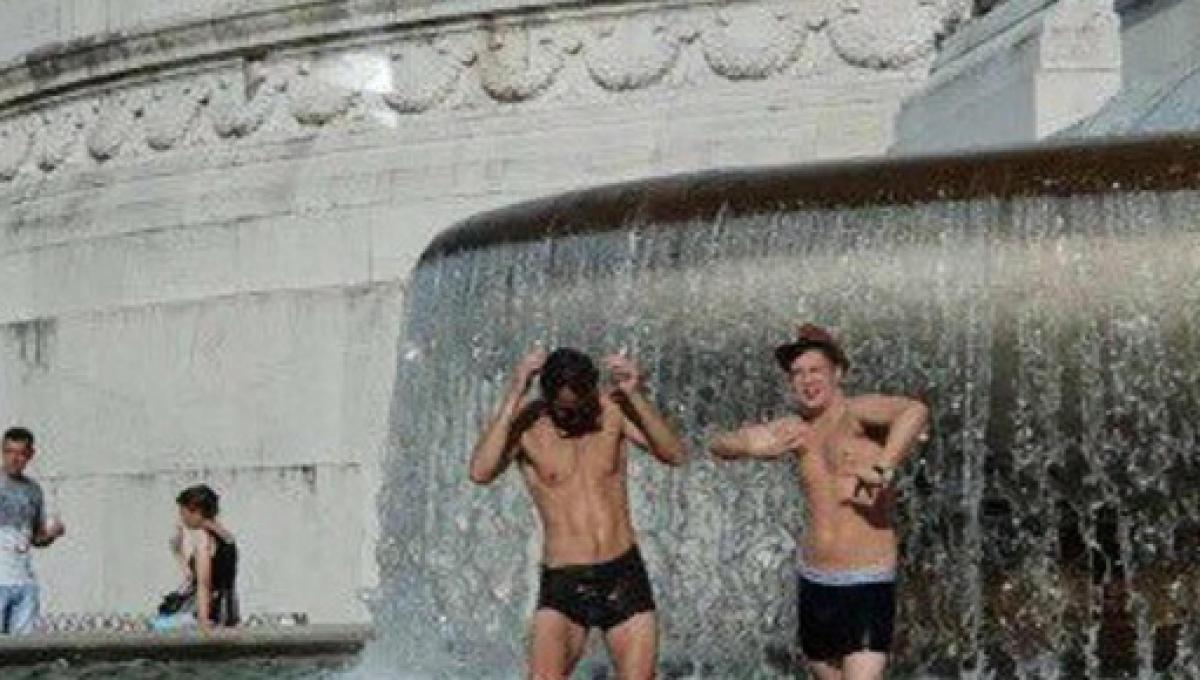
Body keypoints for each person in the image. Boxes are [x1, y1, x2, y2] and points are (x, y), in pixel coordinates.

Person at [709, 324, 928, 680]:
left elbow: (914, 411)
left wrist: (885, 464)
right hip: (814, 580)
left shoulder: (857, 414)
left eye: (815, 371)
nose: (806, 380)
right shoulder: (795, 430)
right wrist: (748, 447)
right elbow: (718, 444)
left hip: (866, 579)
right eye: (797, 373)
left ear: (838, 373)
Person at [469, 347, 686, 680]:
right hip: (565, 582)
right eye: (563, 411)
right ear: (548, 397)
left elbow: (674, 454)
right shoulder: (527, 425)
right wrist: (515, 391)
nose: (572, 419)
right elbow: (480, 472)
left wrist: (635, 395)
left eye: (579, 408)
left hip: (623, 575)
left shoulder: (612, 411)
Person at [0, 426, 65, 635]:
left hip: (24, 583)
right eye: (8, 452)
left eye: (20, 453)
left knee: (23, 653)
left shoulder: (33, 490)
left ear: (30, 455)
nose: (14, 459)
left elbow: (37, 538)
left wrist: (52, 535)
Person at [154, 484, 239, 630]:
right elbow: (202, 577)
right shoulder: (227, 538)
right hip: (226, 610)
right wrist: (178, 553)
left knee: (156, 625)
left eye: (183, 513)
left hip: (207, 613)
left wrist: (203, 622)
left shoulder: (203, 539)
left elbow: (204, 584)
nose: (182, 519)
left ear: (196, 511)